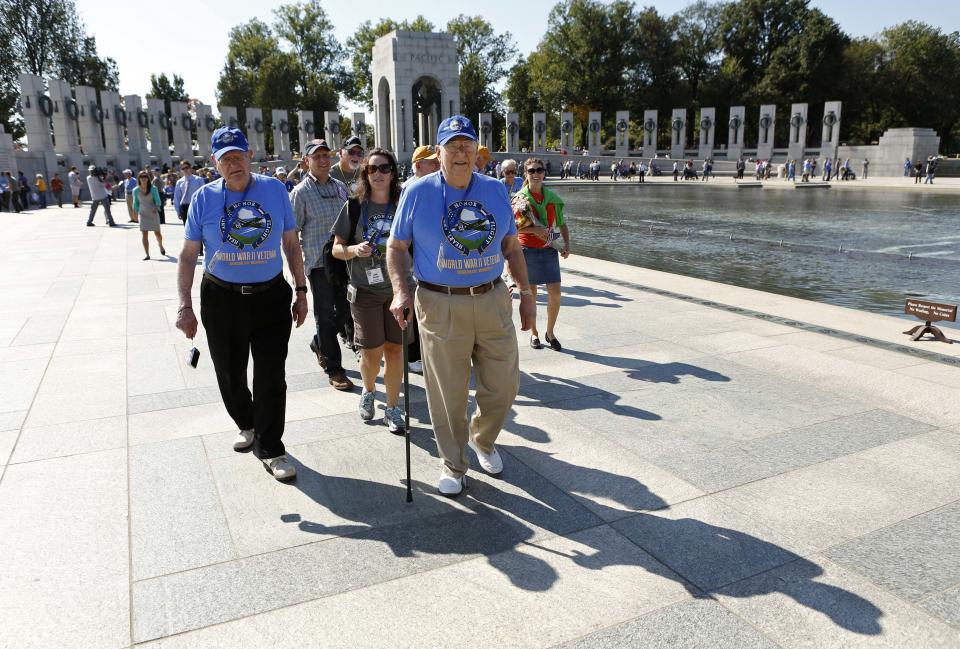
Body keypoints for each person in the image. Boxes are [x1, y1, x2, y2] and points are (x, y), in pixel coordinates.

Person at [386, 115, 536, 496]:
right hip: (439, 301)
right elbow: (396, 246)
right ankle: (453, 462)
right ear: (438, 153)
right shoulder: (417, 191)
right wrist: (401, 292)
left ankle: (482, 439)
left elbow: (511, 245)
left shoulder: (495, 190)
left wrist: (527, 293)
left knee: (504, 384)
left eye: (467, 146)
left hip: (491, 297)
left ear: (477, 152)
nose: (461, 153)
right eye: (453, 147)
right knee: (447, 391)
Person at [175, 126, 308, 481]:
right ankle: (246, 422)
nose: (234, 163)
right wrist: (184, 306)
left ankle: (271, 446)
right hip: (221, 298)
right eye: (226, 159)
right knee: (230, 373)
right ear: (216, 164)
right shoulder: (203, 198)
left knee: (270, 374)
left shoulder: (275, 190)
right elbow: (188, 256)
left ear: (250, 156)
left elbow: (291, 244)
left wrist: (301, 290)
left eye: (239, 156)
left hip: (270, 296)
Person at [333, 148, 410, 433]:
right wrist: (354, 250)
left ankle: (392, 407)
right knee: (371, 352)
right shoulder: (354, 207)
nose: (378, 174)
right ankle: (368, 390)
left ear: (393, 172)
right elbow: (336, 249)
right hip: (365, 290)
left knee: (395, 350)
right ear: (365, 173)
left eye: (385, 168)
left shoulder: (403, 204)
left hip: (399, 289)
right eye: (372, 169)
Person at [288, 138, 354, 391]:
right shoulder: (300, 193)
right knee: (325, 316)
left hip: (344, 261)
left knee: (348, 311)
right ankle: (334, 368)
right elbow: (292, 235)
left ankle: (320, 343)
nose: (324, 160)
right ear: (306, 162)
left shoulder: (340, 187)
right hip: (318, 264)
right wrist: (298, 279)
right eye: (317, 157)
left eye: (327, 155)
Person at [513, 156, 570, 351]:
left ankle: (550, 332)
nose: (536, 174)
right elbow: (513, 229)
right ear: (526, 174)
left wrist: (566, 244)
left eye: (539, 170)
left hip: (548, 250)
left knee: (555, 294)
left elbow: (561, 223)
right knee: (533, 294)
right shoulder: (520, 199)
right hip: (527, 250)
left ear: (544, 173)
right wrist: (534, 230)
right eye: (532, 171)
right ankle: (534, 333)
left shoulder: (553, 199)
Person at [132, 171, 165, 260]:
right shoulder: (135, 190)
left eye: (145, 176)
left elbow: (158, 201)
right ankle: (147, 254)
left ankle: (160, 245)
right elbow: (135, 203)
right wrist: (134, 214)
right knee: (144, 234)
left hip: (153, 213)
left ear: (148, 178)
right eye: (141, 176)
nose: (143, 178)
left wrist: (156, 207)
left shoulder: (153, 189)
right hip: (143, 214)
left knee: (157, 233)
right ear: (139, 178)